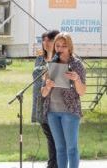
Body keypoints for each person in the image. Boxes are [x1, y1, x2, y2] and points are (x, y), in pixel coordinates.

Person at [41, 32, 86, 168]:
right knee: (60, 149)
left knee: (71, 149)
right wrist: (47, 86)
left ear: (70, 48)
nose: (60, 49)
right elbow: (43, 94)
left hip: (70, 112)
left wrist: (76, 79)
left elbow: (82, 92)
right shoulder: (51, 63)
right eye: (58, 46)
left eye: (64, 46)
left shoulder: (77, 64)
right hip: (52, 113)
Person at [32, 30, 59, 168]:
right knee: (49, 135)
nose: (45, 43)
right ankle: (53, 163)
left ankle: (53, 164)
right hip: (39, 101)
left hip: (53, 103)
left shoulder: (59, 59)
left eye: (49, 40)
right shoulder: (40, 58)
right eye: (43, 40)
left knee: (54, 136)